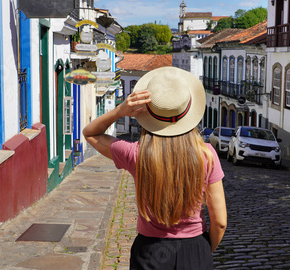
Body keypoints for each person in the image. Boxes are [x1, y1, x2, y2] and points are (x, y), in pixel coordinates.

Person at [83, 66, 227, 269]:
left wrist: (120, 111)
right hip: (196, 249)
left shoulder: (135, 153)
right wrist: (203, 251)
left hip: (150, 252)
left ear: (148, 114)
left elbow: (90, 133)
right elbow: (220, 222)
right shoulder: (207, 155)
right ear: (188, 111)